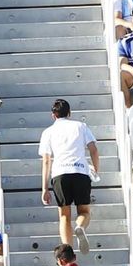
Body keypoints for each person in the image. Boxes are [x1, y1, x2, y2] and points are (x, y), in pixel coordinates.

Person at [38, 98, 100, 253]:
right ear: (70, 113)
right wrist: (96, 170)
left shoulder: (48, 132)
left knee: (64, 216)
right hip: (80, 171)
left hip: (60, 174)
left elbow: (46, 160)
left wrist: (44, 188)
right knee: (84, 211)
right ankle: (80, 226)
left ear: (53, 115)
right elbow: (93, 149)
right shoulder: (80, 126)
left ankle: (68, 252)